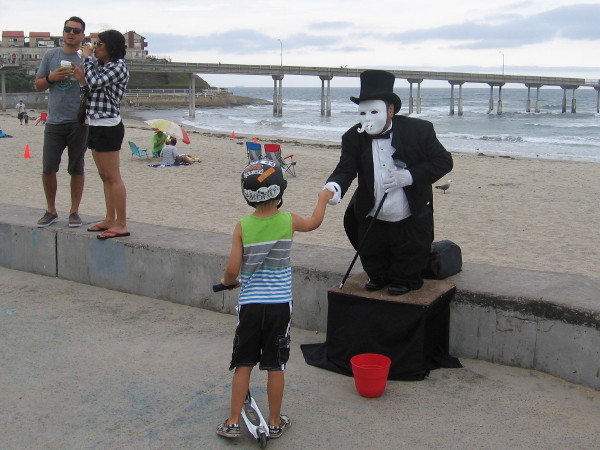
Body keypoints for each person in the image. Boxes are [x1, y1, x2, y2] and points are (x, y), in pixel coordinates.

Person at [216, 160, 333, 440]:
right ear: (280, 189)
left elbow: (233, 269)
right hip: (279, 307)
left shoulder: (242, 226)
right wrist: (323, 198)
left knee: (244, 363)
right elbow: (315, 222)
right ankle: (275, 420)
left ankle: (233, 421)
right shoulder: (288, 220)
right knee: (275, 365)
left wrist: (227, 282)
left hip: (251, 307)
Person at [324, 70, 453, 296]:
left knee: (409, 251)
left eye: (375, 111)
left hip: (408, 213)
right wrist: (335, 186)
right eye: (363, 112)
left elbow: (444, 161)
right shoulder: (352, 137)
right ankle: (379, 276)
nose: (368, 118)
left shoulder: (419, 131)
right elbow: (345, 169)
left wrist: (410, 176)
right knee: (373, 250)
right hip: (372, 211)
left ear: (390, 110)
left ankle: (405, 279)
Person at [73, 30, 130, 240]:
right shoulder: (99, 66)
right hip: (94, 122)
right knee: (104, 176)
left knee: (113, 176)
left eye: (100, 44)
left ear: (111, 47)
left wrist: (86, 59)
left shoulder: (118, 66)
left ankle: (121, 223)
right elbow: (89, 92)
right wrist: (81, 81)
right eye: (95, 44)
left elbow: (96, 83)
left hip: (108, 124)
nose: (95, 47)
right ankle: (109, 218)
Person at [34, 16, 89, 228]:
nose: (71, 33)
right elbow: (38, 85)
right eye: (68, 29)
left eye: (76, 31)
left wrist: (82, 76)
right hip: (54, 122)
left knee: (77, 168)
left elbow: (93, 87)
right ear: (63, 32)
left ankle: (74, 211)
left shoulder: (85, 58)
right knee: (48, 168)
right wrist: (51, 78)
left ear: (82, 35)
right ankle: (51, 210)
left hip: (79, 122)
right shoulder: (51, 55)